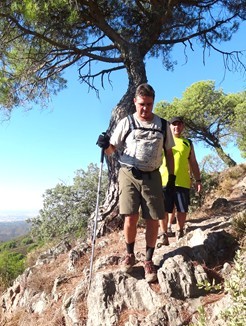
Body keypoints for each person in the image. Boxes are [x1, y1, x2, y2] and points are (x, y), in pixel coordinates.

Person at [97, 83, 175, 283]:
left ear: (153, 102)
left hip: (153, 175)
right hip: (128, 173)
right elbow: (111, 150)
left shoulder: (163, 125)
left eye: (149, 104)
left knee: (152, 219)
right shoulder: (126, 122)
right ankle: (130, 253)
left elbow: (168, 153)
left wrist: (172, 178)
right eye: (142, 104)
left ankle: (148, 260)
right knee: (130, 217)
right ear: (135, 102)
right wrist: (105, 145)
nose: (145, 108)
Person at [159, 116, 202, 242]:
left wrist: (198, 180)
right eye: (174, 124)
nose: (176, 127)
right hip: (164, 180)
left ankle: (180, 230)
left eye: (179, 124)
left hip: (182, 181)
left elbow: (193, 162)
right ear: (170, 126)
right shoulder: (163, 141)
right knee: (163, 210)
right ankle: (164, 234)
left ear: (182, 126)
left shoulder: (187, 143)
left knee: (182, 209)